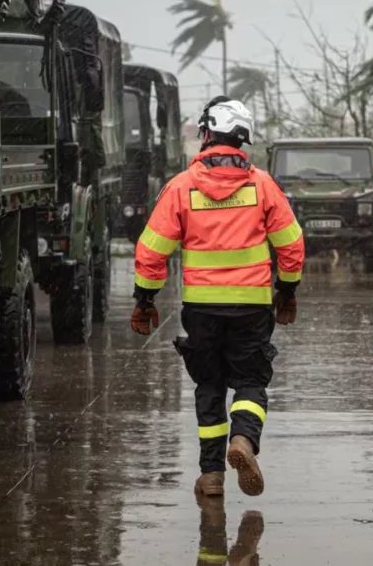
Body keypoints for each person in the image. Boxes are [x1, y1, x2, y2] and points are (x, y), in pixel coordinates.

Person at [130, 96, 305, 500]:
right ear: (242, 138)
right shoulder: (262, 186)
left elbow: (151, 251)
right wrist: (287, 290)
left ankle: (211, 476)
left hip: (202, 309)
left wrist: (145, 300)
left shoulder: (181, 187)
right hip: (252, 307)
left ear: (208, 132)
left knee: (209, 386)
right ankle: (243, 440)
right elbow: (292, 245)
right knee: (251, 380)